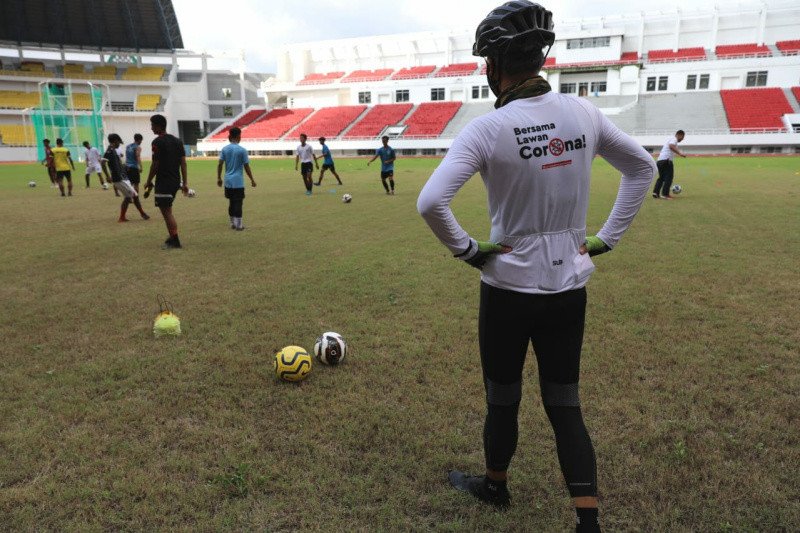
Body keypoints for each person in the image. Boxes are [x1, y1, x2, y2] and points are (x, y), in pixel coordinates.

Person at [416, 2, 655, 531]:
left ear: (493, 66)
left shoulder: (488, 129)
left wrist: (469, 250)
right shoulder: (584, 115)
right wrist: (606, 239)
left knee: (503, 398)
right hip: (568, 286)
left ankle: (496, 486)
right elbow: (641, 169)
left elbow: (431, 203)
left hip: (506, 289)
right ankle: (587, 521)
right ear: (541, 56)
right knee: (564, 402)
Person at [143, 114, 188, 249]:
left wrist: (148, 180)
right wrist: (184, 183)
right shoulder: (178, 141)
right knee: (168, 210)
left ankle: (175, 240)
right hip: (175, 181)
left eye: (152, 125)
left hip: (163, 182)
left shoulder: (157, 142)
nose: (151, 128)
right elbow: (183, 163)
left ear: (158, 126)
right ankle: (172, 236)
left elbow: (155, 164)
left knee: (167, 212)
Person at [101, 134, 149, 222]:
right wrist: (108, 176)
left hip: (122, 177)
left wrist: (123, 166)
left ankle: (122, 217)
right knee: (134, 195)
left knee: (128, 197)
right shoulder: (110, 150)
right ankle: (142, 213)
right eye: (119, 142)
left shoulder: (114, 150)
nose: (119, 144)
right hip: (118, 179)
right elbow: (103, 162)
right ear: (115, 140)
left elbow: (115, 164)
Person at [217, 127, 257, 230]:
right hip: (238, 181)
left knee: (231, 202)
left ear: (229, 136)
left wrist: (219, 178)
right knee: (238, 202)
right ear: (239, 136)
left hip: (228, 180)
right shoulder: (242, 150)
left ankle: (232, 223)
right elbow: (246, 166)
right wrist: (252, 179)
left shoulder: (225, 149)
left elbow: (220, 164)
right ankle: (239, 225)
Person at [652, 130, 686, 199]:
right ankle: (665, 194)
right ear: (679, 135)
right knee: (669, 177)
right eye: (682, 137)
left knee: (661, 178)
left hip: (660, 161)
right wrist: (680, 153)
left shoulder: (670, 139)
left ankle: (655, 193)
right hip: (666, 161)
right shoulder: (674, 139)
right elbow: (671, 146)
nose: (682, 139)